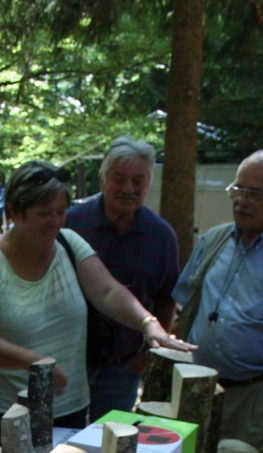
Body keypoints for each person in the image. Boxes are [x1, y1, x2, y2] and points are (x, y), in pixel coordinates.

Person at [0, 159, 194, 438]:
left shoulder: (69, 243)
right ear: (14, 212)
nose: (55, 222)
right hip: (4, 414)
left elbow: (108, 291)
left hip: (69, 408)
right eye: (44, 213)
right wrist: (36, 362)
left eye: (60, 211)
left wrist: (148, 323)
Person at [173, 149, 263, 448]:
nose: (241, 200)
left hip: (256, 401)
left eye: (255, 193)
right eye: (238, 189)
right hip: (198, 390)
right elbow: (182, 305)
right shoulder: (213, 240)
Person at [65, 136, 180, 420]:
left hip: (123, 366)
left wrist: (142, 360)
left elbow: (167, 301)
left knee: (112, 443)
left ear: (148, 184)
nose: (128, 188)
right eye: (119, 179)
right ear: (103, 180)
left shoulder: (161, 236)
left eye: (138, 180)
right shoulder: (71, 224)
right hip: (68, 361)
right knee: (63, 442)